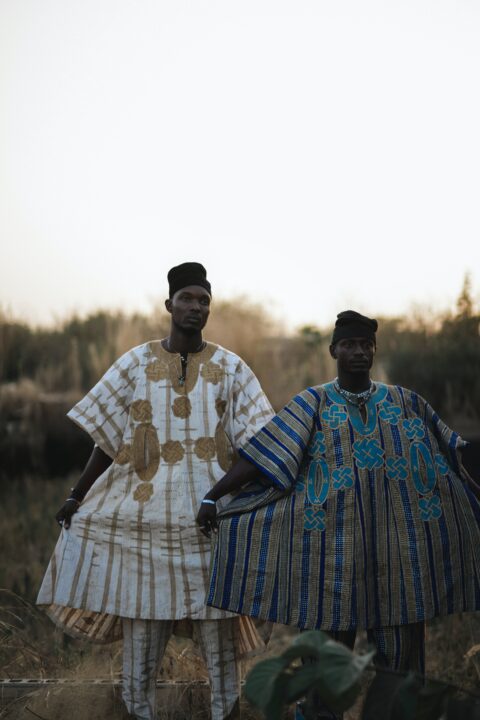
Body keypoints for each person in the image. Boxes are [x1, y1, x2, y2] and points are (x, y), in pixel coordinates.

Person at [197, 310, 480, 718]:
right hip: (333, 565)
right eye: (349, 344)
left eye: (366, 345)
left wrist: (473, 493)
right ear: (333, 350)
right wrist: (214, 496)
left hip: (399, 564)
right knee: (325, 667)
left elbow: (451, 453)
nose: (359, 352)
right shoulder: (311, 403)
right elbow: (264, 455)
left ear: (374, 349)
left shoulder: (405, 402)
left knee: (401, 672)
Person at [37, 262, 273, 720]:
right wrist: (77, 494)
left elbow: (258, 448)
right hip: (143, 533)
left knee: (220, 655)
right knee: (141, 652)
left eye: (204, 300)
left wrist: (215, 496)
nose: (196, 307)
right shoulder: (136, 363)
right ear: (169, 304)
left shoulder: (232, 369)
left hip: (210, 533)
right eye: (187, 298)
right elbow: (106, 440)